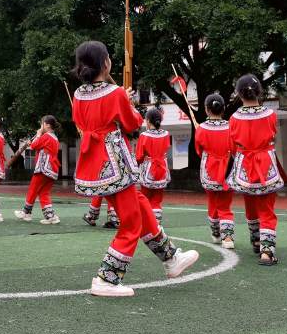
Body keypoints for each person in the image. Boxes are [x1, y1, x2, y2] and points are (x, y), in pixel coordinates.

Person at [71, 41, 198, 297]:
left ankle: (171, 257)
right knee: (131, 222)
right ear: (104, 62)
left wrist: (121, 100)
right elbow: (132, 123)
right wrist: (127, 104)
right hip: (114, 160)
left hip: (93, 160)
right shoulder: (114, 92)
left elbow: (81, 121)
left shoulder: (78, 94)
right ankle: (106, 278)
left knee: (140, 204)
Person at [226, 74, 284, 265]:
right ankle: (267, 252)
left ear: (239, 94)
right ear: (259, 92)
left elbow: (233, 145)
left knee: (250, 206)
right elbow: (272, 135)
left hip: (245, 165)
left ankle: (256, 240)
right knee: (267, 209)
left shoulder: (234, 118)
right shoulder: (271, 114)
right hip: (265, 163)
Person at [196, 93, 235, 248]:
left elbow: (199, 151)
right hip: (227, 169)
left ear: (206, 109)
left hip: (210, 170)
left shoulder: (202, 129)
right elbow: (234, 149)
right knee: (225, 206)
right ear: (223, 109)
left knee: (213, 203)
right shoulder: (231, 127)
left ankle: (216, 233)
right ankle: (228, 238)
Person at [14, 115, 62, 224]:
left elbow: (35, 145)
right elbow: (37, 145)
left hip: (43, 168)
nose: (41, 126)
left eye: (42, 124)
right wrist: (37, 138)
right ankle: (51, 216)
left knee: (33, 189)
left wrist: (38, 135)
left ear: (47, 125)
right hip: (52, 169)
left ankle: (26, 212)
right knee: (43, 192)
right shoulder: (54, 137)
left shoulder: (46, 136)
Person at [135, 107, 172, 224]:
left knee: (145, 197)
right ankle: (156, 222)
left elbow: (139, 156)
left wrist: (136, 165)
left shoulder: (144, 136)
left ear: (147, 121)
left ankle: (146, 221)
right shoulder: (166, 134)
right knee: (157, 199)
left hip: (148, 169)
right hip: (162, 168)